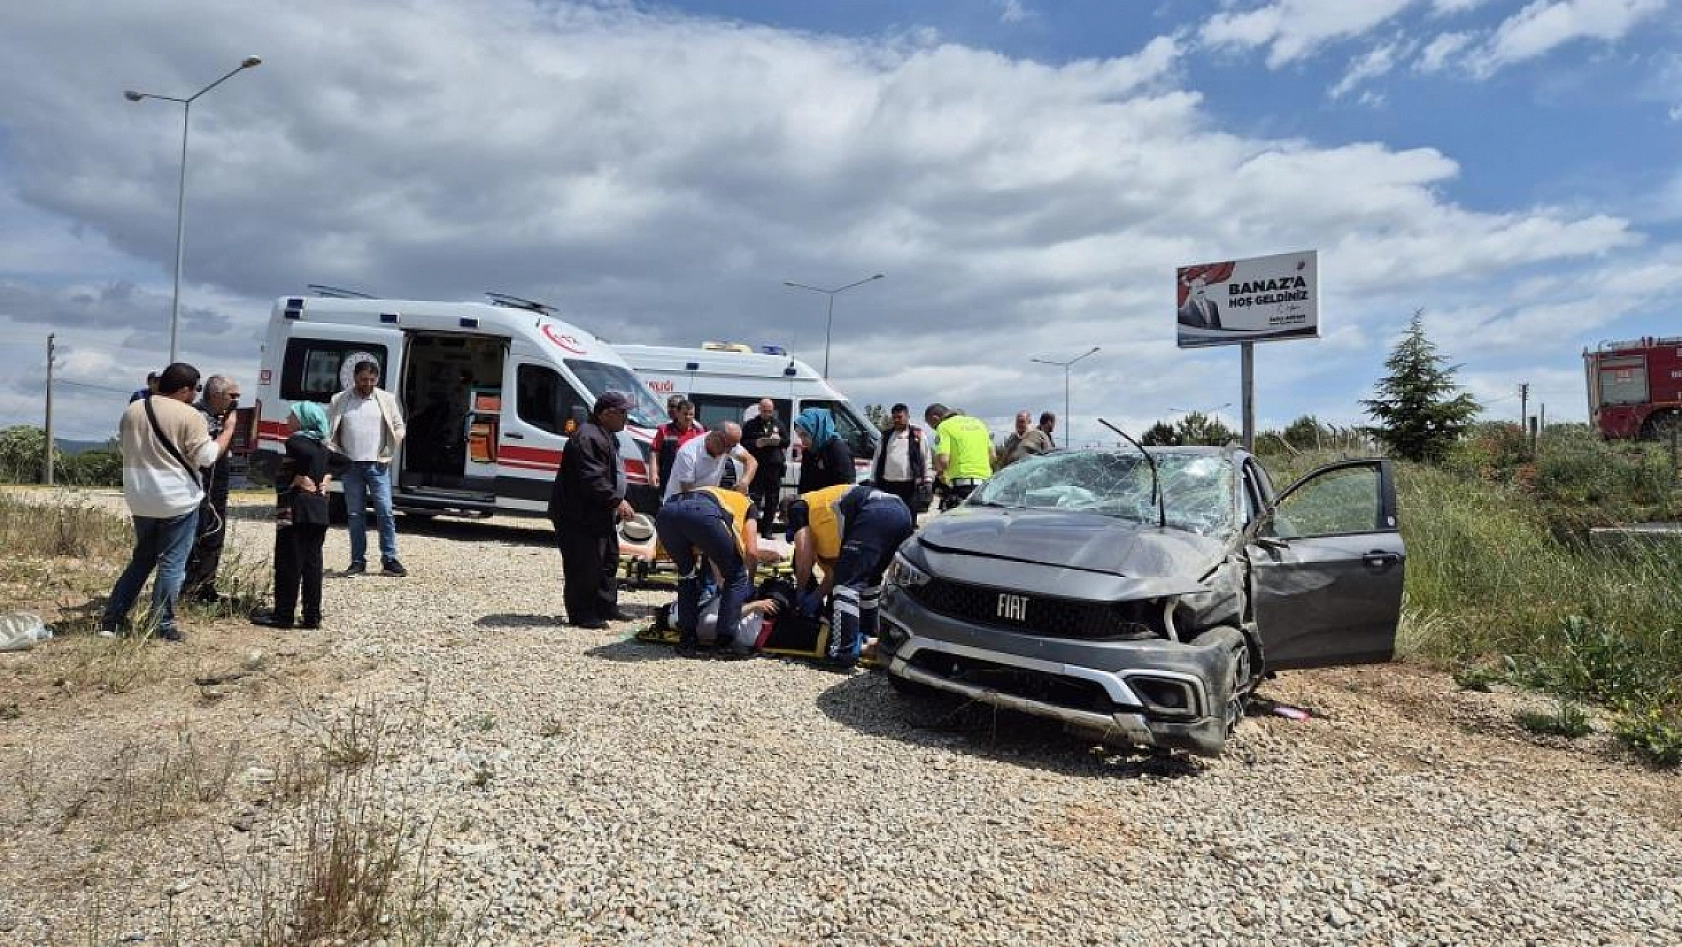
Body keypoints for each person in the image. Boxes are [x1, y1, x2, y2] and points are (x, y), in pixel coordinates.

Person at [101, 362, 235, 642]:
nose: (196, 394)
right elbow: (208, 456)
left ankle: (112, 618)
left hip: (139, 496)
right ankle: (162, 624)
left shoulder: (133, 410)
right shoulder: (189, 416)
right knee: (173, 563)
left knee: (142, 560)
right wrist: (228, 430)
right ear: (185, 389)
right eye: (196, 389)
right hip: (176, 498)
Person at [787, 483, 916, 669]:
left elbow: (804, 552)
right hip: (901, 512)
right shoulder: (826, 521)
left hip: (875, 513)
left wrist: (800, 590)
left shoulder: (798, 506)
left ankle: (843, 652)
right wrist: (817, 596)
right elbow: (833, 574)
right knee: (869, 581)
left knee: (846, 586)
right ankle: (869, 638)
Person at [654, 484, 779, 659]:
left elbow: (712, 551)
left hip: (666, 513)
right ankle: (725, 643)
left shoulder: (718, 495)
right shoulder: (747, 504)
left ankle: (687, 639)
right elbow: (751, 551)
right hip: (700, 513)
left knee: (687, 575)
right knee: (736, 575)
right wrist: (747, 587)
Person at [549, 391, 637, 629]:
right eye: (623, 413)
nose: (627, 418)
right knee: (584, 563)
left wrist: (623, 499)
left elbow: (615, 472)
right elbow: (592, 477)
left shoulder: (607, 435)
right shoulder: (588, 437)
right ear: (607, 413)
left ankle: (605, 606)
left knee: (607, 559)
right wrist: (617, 500)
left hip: (599, 512)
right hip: (578, 514)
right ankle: (582, 613)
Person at [252, 402, 337, 630]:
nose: (288, 418)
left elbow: (281, 474)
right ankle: (312, 616)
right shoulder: (323, 446)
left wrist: (294, 479)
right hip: (319, 510)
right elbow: (344, 462)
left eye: (292, 415)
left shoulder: (297, 442)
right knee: (312, 564)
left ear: (304, 420)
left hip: (297, 510)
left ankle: (283, 615)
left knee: (289, 562)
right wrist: (328, 475)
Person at [327, 360, 407, 576]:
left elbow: (399, 426)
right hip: (350, 466)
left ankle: (389, 559)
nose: (368, 384)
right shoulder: (340, 400)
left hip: (378, 464)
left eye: (372, 380)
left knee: (385, 511)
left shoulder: (386, 399)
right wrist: (336, 452)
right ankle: (357, 560)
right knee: (355, 514)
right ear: (354, 378)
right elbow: (329, 430)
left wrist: (391, 446)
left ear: (377, 379)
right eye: (363, 379)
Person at [183, 375, 241, 604]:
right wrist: (229, 428)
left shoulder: (225, 416)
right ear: (216, 395)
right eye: (232, 396)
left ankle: (206, 587)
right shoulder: (198, 415)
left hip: (218, 486)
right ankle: (188, 588)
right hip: (200, 484)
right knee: (196, 535)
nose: (236, 401)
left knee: (215, 535)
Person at [664, 421, 757, 502]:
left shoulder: (729, 443)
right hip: (679, 504)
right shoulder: (688, 453)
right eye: (727, 446)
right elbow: (688, 493)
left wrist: (744, 482)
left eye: (732, 447)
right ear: (715, 437)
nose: (729, 451)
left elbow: (751, 461)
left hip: (705, 501)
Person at [924, 404, 994, 509]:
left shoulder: (944, 426)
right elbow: (992, 456)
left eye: (933, 426)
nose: (935, 429)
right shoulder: (979, 423)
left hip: (961, 487)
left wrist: (941, 474)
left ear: (935, 418)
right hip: (985, 486)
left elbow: (943, 461)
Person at [870, 403, 930, 510]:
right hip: (888, 484)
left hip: (910, 484)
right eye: (894, 417)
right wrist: (873, 479)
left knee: (909, 517)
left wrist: (928, 480)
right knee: (890, 515)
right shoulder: (885, 436)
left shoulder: (918, 435)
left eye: (900, 417)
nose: (897, 420)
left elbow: (926, 459)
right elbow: (876, 459)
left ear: (908, 417)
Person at [741, 398, 787, 536]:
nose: (768, 414)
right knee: (754, 499)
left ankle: (767, 530)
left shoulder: (778, 424)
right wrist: (757, 443)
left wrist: (777, 441)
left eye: (770, 411)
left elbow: (787, 441)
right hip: (757, 467)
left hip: (774, 467)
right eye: (765, 411)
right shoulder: (751, 424)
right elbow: (743, 443)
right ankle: (752, 529)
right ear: (760, 410)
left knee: (772, 500)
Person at [794, 407, 854, 494]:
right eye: (800, 436)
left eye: (805, 435)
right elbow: (804, 485)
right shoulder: (810, 451)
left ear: (817, 429)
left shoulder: (838, 450)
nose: (802, 441)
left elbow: (845, 487)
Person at [649, 398, 703, 496]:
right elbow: (654, 452)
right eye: (685, 414)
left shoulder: (699, 432)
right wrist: (653, 473)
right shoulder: (664, 430)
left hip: (690, 478)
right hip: (668, 476)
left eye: (691, 414)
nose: (688, 417)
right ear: (677, 413)